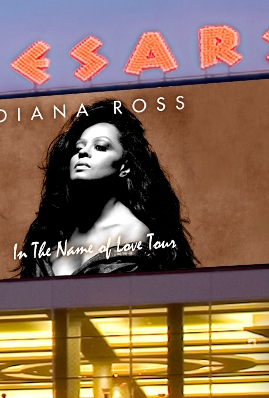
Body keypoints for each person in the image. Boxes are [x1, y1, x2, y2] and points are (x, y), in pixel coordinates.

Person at [15, 102, 197, 277]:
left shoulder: (138, 233)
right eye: (79, 147)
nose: (83, 152)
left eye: (100, 146)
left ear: (125, 167)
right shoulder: (52, 233)